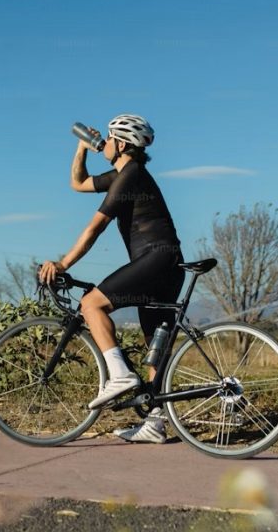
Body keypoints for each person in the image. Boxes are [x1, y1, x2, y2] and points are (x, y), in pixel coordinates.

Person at [38, 114, 184, 444]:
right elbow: (78, 183)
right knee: (155, 346)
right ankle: (156, 423)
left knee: (91, 304)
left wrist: (62, 263)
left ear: (120, 144)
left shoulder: (129, 176)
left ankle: (118, 375)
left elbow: (94, 228)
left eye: (108, 138)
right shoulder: (126, 174)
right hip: (167, 263)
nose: (103, 141)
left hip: (156, 259)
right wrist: (82, 148)